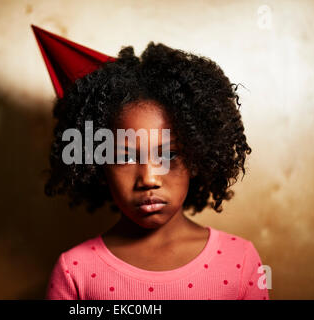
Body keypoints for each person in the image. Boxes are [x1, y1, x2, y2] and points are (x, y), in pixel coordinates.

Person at [32, 26, 269, 300]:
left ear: (197, 155)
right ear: (97, 165)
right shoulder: (75, 271)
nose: (149, 179)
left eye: (168, 155)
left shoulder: (239, 260)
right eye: (124, 157)